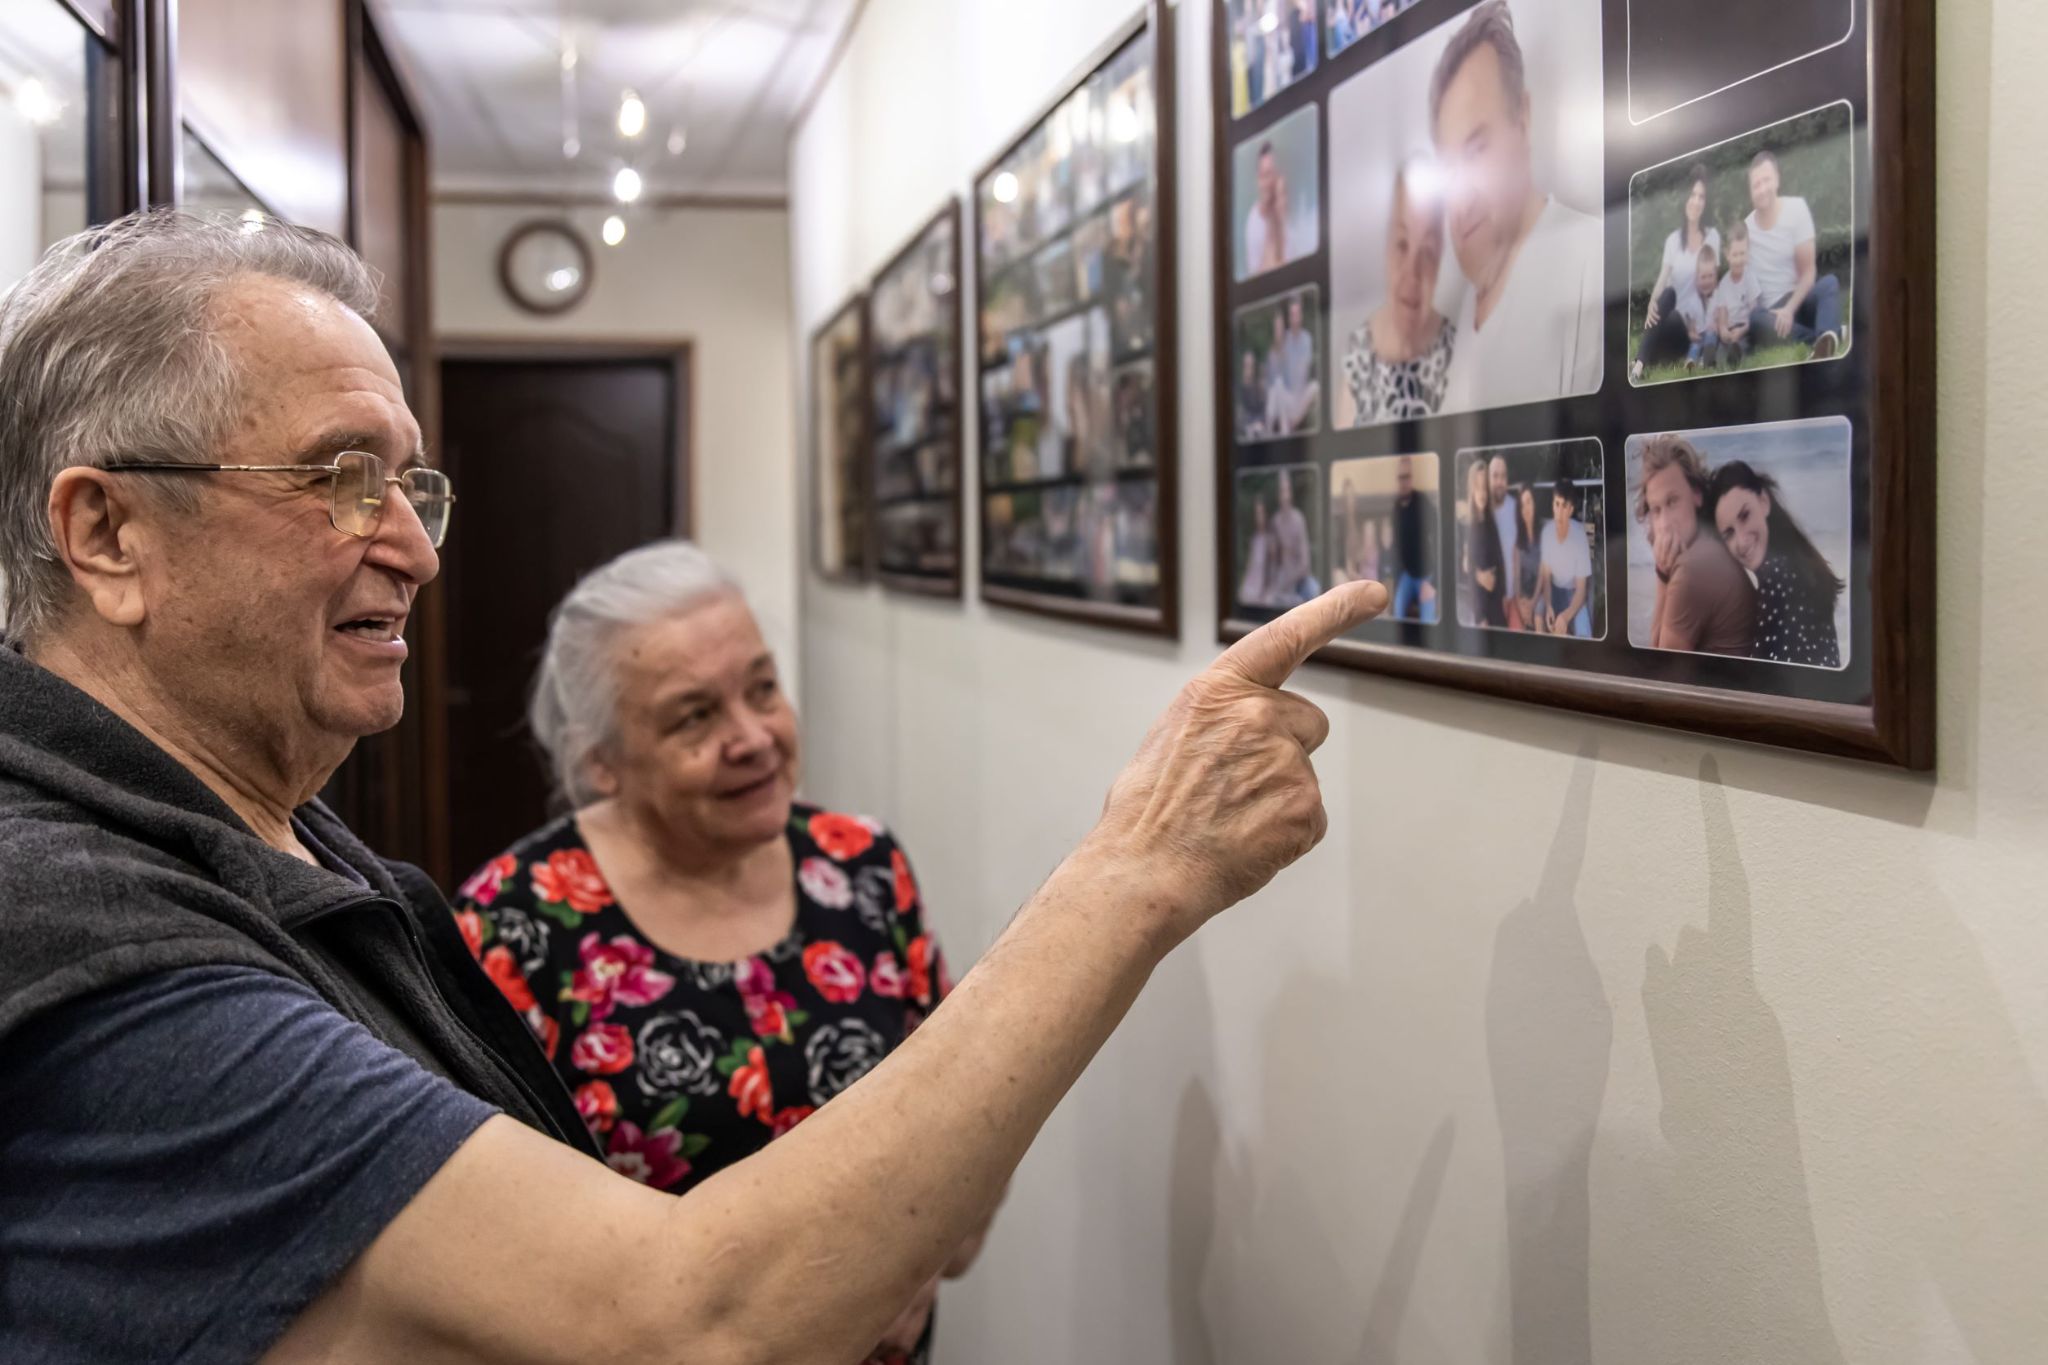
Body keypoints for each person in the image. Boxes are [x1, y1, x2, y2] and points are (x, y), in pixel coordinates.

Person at [0, 209, 1391, 1365]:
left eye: (409, 486)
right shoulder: (97, 950)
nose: (413, 552)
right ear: (107, 531)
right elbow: (693, 1320)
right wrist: (1143, 861)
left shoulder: (277, 837)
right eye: (335, 480)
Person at [453, 542, 973, 1363]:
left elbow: (968, 1116)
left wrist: (916, 1262)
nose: (754, 737)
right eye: (694, 716)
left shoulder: (865, 867)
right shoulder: (514, 922)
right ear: (602, 763)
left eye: (763, 688)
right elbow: (484, 1248)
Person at [1430, 0, 1603, 411]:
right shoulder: (1459, 322)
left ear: (1522, 120)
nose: (1461, 192)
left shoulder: (1591, 261)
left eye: (1476, 150)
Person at [1342, 157, 1457, 425]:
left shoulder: (1456, 349)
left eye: (1427, 252)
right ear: (1385, 247)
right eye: (1402, 244)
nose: (1412, 273)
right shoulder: (1358, 349)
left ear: (1440, 261)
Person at [1708, 460, 1843, 667]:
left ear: (1763, 502)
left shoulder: (1777, 578)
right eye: (1729, 534)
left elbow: (1763, 680)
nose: (1742, 541)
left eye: (1745, 516)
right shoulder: (1799, 561)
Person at [1635, 432, 1757, 655]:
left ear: (1697, 495)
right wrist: (1663, 572)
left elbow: (1660, 669)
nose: (1664, 523)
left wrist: (1662, 575)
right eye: (1656, 510)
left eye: (1672, 501)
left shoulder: (1693, 568)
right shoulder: (1709, 542)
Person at [1743, 147, 1844, 359]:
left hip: (1799, 299)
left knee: (1829, 283)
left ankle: (1824, 337)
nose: (1762, 189)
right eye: (1756, 185)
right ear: (1751, 191)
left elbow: (1808, 273)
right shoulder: (1747, 229)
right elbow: (1747, 285)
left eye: (1766, 180)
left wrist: (1789, 309)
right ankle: (1826, 337)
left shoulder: (1797, 209)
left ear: (1777, 180)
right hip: (1770, 315)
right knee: (1754, 318)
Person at [1632, 163, 1721, 379]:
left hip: (1695, 326)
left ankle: (1642, 360)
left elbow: (1713, 289)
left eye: (1701, 197)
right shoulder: (1673, 240)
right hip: (1673, 322)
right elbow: (1663, 280)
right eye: (1692, 196)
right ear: (1685, 199)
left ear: (1705, 203)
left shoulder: (1712, 237)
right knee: (1667, 295)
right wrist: (1653, 303)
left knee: (1669, 304)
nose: (1696, 202)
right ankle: (1639, 366)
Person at [1533, 481, 1595, 638]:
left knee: (1584, 632)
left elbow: (1582, 590)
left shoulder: (1580, 536)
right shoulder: (1547, 533)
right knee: (1539, 612)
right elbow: (1546, 577)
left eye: (1564, 506)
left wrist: (1566, 616)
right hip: (1554, 590)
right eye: (1557, 504)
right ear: (1553, 505)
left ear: (1571, 510)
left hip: (1574, 594)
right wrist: (1548, 605)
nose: (1559, 512)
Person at [1708, 219, 1762, 367]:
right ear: (1727, 254)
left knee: (1743, 344)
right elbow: (1722, 314)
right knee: (1721, 347)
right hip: (1730, 330)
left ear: (1748, 251)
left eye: (1742, 254)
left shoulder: (1749, 278)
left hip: (1746, 328)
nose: (1739, 259)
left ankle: (1737, 353)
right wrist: (1723, 330)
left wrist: (1742, 330)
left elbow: (1754, 314)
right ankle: (1716, 357)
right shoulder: (1724, 284)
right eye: (1735, 254)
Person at [1390, 455, 1438, 622]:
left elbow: (1440, 537)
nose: (1404, 481)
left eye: (1407, 477)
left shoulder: (1422, 502)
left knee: (1429, 619)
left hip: (1426, 576)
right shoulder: (1396, 507)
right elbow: (1395, 547)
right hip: (1407, 576)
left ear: (1411, 478)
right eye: (1400, 477)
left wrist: (1433, 584)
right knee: (1397, 611)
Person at [1461, 456, 1507, 627]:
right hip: (1481, 603)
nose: (1482, 493)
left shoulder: (1490, 522)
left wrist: (1502, 595)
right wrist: (1480, 617)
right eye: (1477, 488)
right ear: (1472, 490)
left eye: (1484, 488)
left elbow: (1500, 560)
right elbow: (1466, 567)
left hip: (1496, 599)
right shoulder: (1469, 526)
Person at [1265, 292, 1320, 433]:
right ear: (1289, 318)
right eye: (1292, 314)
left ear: (1300, 316)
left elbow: (1303, 372)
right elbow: (1277, 372)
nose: (1294, 318)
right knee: (1278, 384)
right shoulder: (1285, 339)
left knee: (1315, 387)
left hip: (1300, 395)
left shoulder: (1307, 338)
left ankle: (1293, 423)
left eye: (1297, 314)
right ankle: (1283, 430)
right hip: (1288, 397)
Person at [1267, 472, 1318, 606]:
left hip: (1300, 579)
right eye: (1282, 491)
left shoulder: (1298, 519)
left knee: (1314, 590)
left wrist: (1289, 581)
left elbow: (1305, 563)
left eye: (1287, 490)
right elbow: (1273, 560)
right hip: (1282, 578)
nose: (1285, 496)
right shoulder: (1275, 521)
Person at [1244, 141, 1289, 277]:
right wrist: (1272, 221)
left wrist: (1280, 215)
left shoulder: (1289, 216)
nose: (1268, 183)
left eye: (1271, 175)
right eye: (1263, 176)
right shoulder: (1254, 221)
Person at [1489, 456, 1520, 623]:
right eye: (1495, 476)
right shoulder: (1482, 511)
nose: (1500, 481)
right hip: (1491, 599)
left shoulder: (1515, 508)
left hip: (1514, 597)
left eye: (1503, 476)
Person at [1513, 483, 1542, 627]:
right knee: (1518, 619)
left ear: (1535, 504)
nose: (1526, 508)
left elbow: (1543, 576)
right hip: (1524, 594)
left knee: (1537, 613)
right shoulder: (1518, 540)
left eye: (1529, 502)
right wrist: (1520, 602)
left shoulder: (1543, 536)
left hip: (1539, 592)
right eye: (1522, 504)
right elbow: (1517, 577)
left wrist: (1532, 604)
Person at [1239, 493, 1275, 603]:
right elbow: (1250, 566)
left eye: (1260, 513)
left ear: (1266, 514)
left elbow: (1272, 569)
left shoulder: (1270, 539)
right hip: (1252, 585)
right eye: (1256, 513)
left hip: (1263, 589)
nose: (1258, 517)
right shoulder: (1255, 538)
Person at [1237, 347, 1269, 439]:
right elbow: (1242, 412)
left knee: (1259, 431)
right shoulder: (1241, 386)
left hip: (1259, 423)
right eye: (1246, 365)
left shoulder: (1259, 384)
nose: (1249, 368)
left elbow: (1263, 409)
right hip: (1247, 425)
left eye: (1251, 364)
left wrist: (1258, 423)